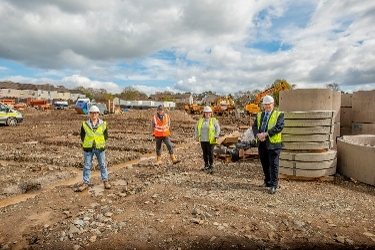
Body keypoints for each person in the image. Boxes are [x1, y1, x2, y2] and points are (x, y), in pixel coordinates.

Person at [252, 95, 284, 194]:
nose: (267, 106)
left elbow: (279, 127)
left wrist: (266, 134)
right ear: (263, 105)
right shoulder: (259, 115)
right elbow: (254, 126)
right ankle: (268, 181)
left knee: (273, 165)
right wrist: (258, 134)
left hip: (273, 144)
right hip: (262, 143)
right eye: (265, 104)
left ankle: (274, 185)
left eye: (269, 104)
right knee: (264, 163)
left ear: (273, 104)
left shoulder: (279, 115)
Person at [77, 105, 111, 191]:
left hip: (100, 148)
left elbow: (105, 136)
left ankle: (105, 181)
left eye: (95, 113)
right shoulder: (85, 124)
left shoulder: (103, 124)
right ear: (90, 114)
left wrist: (100, 143)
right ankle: (85, 183)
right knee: (87, 166)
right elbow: (82, 136)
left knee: (103, 165)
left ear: (98, 114)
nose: (94, 115)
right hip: (88, 148)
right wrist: (88, 143)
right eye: (92, 113)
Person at [194, 106, 220, 174]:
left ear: (211, 113)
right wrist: (196, 136)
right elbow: (196, 128)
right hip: (203, 139)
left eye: (209, 113)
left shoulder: (214, 120)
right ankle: (206, 165)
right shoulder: (200, 121)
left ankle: (211, 165)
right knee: (205, 153)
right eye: (206, 113)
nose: (207, 114)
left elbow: (218, 128)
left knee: (210, 152)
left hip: (211, 140)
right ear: (204, 113)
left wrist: (216, 136)